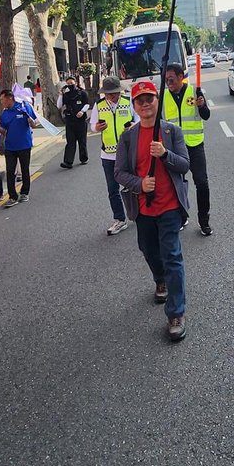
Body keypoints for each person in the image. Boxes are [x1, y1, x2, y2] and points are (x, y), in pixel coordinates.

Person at [115, 80, 190, 342]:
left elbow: (184, 165)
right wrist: (140, 183)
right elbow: (120, 173)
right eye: (140, 100)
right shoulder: (128, 137)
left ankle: (176, 314)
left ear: (157, 102)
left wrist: (165, 153)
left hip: (169, 207)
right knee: (148, 249)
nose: (145, 104)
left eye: (150, 99)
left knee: (172, 256)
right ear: (134, 106)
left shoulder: (172, 132)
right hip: (144, 208)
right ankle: (161, 280)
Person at [163, 62, 213, 236]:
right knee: (176, 185)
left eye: (171, 78)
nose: (168, 82)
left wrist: (201, 106)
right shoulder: (162, 97)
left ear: (180, 77)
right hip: (174, 148)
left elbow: (206, 116)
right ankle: (182, 217)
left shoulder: (194, 92)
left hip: (194, 144)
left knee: (202, 182)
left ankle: (204, 221)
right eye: (166, 79)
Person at [91, 76, 135, 235]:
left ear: (119, 91)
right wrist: (97, 127)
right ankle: (120, 219)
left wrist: (132, 127)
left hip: (128, 152)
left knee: (134, 185)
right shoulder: (99, 105)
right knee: (112, 189)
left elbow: (137, 120)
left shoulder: (128, 102)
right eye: (108, 94)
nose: (111, 97)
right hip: (108, 154)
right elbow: (93, 127)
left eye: (114, 93)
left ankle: (139, 213)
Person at [0, 89, 39, 205]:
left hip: (24, 145)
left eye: (3, 99)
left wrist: (29, 119)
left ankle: (24, 193)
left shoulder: (24, 106)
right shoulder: (5, 113)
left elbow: (34, 124)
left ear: (9, 98)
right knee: (10, 171)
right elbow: (3, 129)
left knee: (24, 170)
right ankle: (12, 196)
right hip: (10, 146)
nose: (2, 102)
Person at [58, 75, 89, 169]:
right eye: (68, 84)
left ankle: (83, 158)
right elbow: (59, 106)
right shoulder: (66, 95)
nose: (70, 85)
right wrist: (60, 95)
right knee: (70, 141)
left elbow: (87, 104)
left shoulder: (82, 93)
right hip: (70, 121)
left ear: (75, 83)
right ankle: (68, 162)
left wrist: (82, 111)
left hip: (81, 120)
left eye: (71, 83)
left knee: (82, 140)